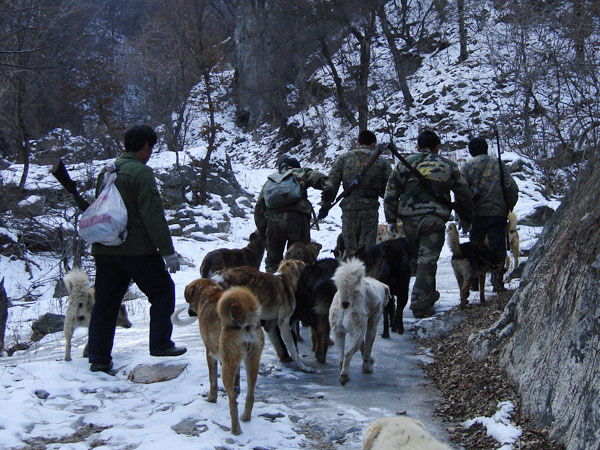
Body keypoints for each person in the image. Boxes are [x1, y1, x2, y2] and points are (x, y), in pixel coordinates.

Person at [87, 124, 185, 373]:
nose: (151, 152)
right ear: (145, 147)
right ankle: (161, 343)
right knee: (163, 291)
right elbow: (152, 215)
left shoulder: (107, 171)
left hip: (105, 249)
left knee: (105, 304)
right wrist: (167, 251)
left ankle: (98, 357)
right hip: (136, 250)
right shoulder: (141, 173)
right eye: (151, 146)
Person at [384, 129, 472, 318]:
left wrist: (391, 219)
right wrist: (464, 217)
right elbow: (463, 193)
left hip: (407, 221)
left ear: (417, 146)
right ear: (437, 147)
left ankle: (427, 295)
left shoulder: (404, 164)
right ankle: (420, 303)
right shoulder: (447, 165)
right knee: (427, 261)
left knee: (418, 260)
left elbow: (390, 193)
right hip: (433, 220)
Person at [254, 156, 330, 273]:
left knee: (273, 261)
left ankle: (273, 284)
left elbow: (259, 208)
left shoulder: (271, 180)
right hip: (298, 221)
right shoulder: (301, 172)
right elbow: (320, 179)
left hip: (274, 222)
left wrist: (265, 231)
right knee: (299, 260)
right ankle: (298, 287)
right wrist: (327, 190)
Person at [462, 136, 518, 292]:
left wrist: (465, 214)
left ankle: (473, 282)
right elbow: (511, 187)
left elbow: (462, 191)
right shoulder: (498, 163)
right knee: (498, 247)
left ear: (471, 151)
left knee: (475, 247)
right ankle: (498, 281)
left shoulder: (467, 166)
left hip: (477, 214)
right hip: (497, 212)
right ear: (486, 149)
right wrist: (508, 206)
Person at [325, 130, 392, 254]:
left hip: (349, 210)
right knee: (367, 252)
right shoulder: (381, 162)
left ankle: (352, 270)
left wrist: (325, 205)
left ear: (357, 143)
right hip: (370, 211)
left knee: (351, 250)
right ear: (373, 145)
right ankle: (366, 271)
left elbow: (330, 185)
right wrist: (392, 213)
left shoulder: (344, 158)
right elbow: (389, 190)